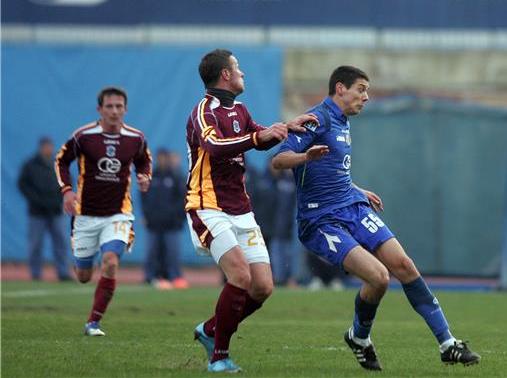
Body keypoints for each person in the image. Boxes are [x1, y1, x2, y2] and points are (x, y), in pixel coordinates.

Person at [272, 66, 481, 370]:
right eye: (361, 89)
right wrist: (304, 157)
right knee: (379, 277)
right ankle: (359, 337)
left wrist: (356, 188)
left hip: (352, 206)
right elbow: (278, 160)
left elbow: (332, 170)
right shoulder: (317, 119)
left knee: (404, 266)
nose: (366, 97)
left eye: (367, 91)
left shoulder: (342, 121)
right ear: (340, 88)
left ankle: (448, 343)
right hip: (321, 221)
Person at [186, 48, 317, 373]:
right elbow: (215, 147)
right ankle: (219, 356)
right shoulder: (203, 111)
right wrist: (259, 135)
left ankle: (210, 329)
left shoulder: (240, 110)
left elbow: (258, 138)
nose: (243, 73)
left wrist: (287, 126)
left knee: (263, 286)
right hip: (207, 204)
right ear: (225, 75)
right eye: (238, 68)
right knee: (240, 276)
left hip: (240, 207)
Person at [55, 86, 152, 337]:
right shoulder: (83, 136)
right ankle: (85, 258)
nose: (114, 111)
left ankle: (93, 323)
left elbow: (144, 159)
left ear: (126, 109)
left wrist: (144, 176)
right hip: (85, 215)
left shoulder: (135, 138)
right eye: (109, 106)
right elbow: (61, 161)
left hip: (119, 213)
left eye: (119, 106)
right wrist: (67, 190)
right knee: (84, 276)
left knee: (110, 262)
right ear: (99, 109)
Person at [18, 137, 71, 281]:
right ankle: (35, 273)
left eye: (50, 146)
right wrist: (36, 200)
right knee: (35, 244)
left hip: (55, 211)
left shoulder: (59, 164)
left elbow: (67, 184)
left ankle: (63, 272)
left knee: (60, 242)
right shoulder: (30, 165)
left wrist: (60, 200)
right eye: (45, 146)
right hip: (37, 211)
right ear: (41, 147)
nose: (48, 149)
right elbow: (23, 185)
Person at [141, 148, 188, 290]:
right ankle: (151, 277)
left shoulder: (176, 177)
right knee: (152, 251)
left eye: (164, 157)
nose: (161, 160)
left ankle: (174, 277)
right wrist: (146, 215)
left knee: (172, 252)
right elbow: (144, 198)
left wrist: (178, 218)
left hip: (171, 223)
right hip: (154, 222)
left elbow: (182, 200)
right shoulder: (151, 176)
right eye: (159, 158)